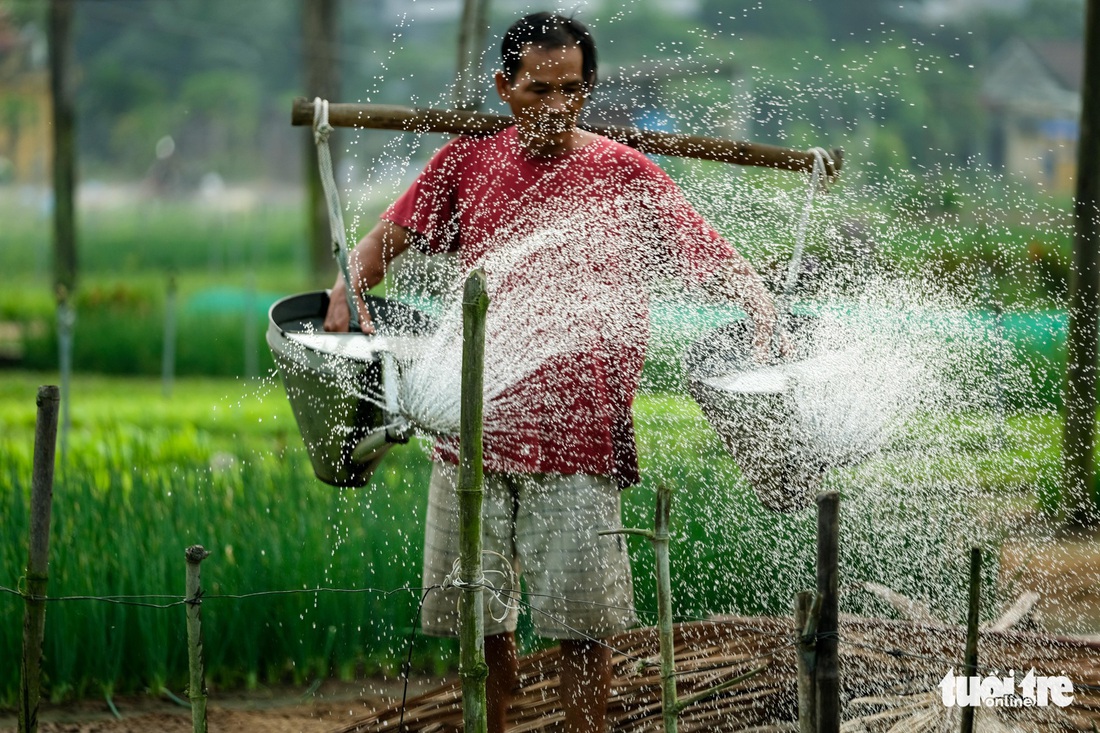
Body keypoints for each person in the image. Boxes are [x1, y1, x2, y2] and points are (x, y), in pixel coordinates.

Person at [325, 12, 777, 732]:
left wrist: (757, 305)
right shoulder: (465, 166)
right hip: (469, 430)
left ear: (588, 89)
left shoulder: (626, 176)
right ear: (506, 88)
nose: (556, 106)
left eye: (571, 90)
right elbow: (389, 239)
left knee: (584, 626)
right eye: (539, 90)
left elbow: (709, 254)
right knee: (479, 624)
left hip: (580, 438)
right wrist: (348, 288)